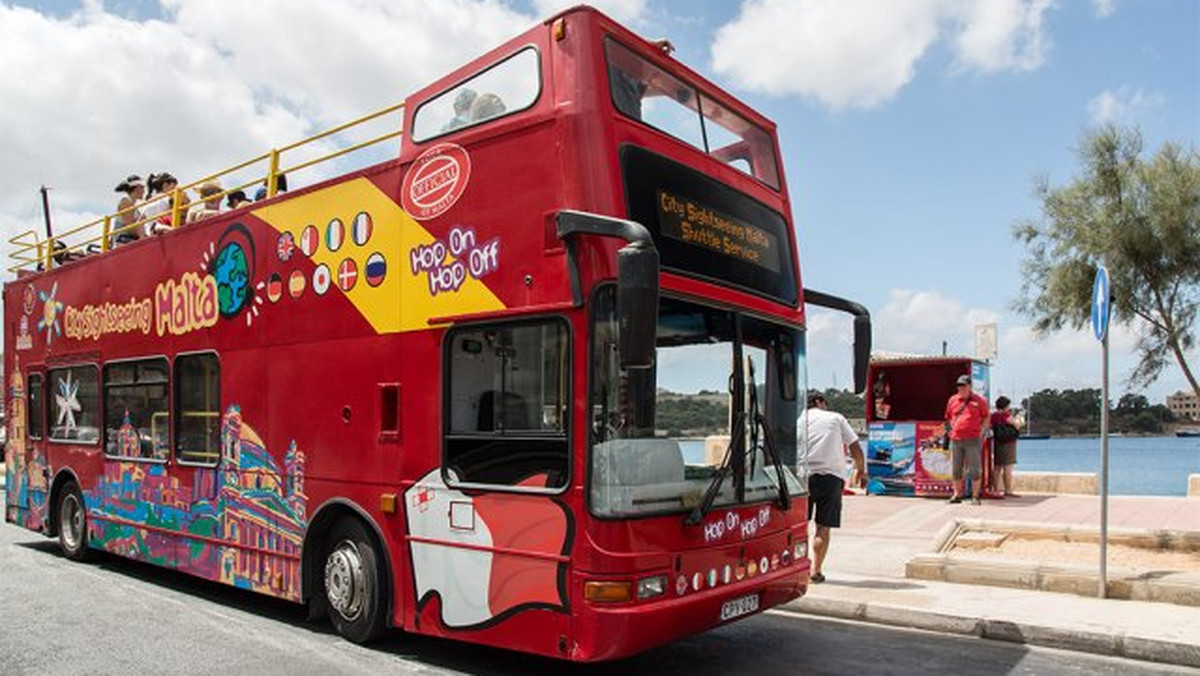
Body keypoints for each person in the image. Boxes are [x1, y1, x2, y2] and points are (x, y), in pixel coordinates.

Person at [799, 391, 866, 583]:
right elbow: (854, 446)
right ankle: (815, 570)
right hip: (832, 478)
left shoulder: (798, 421)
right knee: (823, 527)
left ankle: (801, 565)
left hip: (803, 479)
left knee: (800, 526)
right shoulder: (836, 418)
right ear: (820, 402)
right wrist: (861, 470)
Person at [945, 374, 989, 505]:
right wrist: (949, 431)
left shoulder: (979, 400)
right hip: (956, 439)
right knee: (956, 468)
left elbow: (986, 417)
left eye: (964, 386)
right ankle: (957, 494)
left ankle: (975, 496)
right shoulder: (952, 400)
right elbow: (947, 417)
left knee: (975, 469)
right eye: (959, 386)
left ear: (970, 386)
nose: (961, 389)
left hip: (973, 439)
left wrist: (981, 431)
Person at [990, 396, 1020, 497]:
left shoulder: (993, 416)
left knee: (997, 467)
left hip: (997, 443)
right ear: (1005, 406)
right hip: (1009, 444)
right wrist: (1018, 420)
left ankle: (995, 489)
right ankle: (1008, 490)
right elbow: (1017, 424)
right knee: (1008, 468)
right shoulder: (1006, 415)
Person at [112, 175, 146, 244]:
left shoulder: (134, 207)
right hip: (122, 239)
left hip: (129, 238)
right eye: (142, 187)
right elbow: (130, 228)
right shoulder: (126, 202)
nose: (144, 191)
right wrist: (143, 235)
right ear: (137, 188)